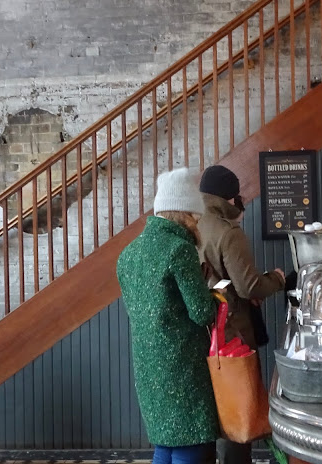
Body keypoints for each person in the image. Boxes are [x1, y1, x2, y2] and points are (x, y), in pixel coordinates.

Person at [116, 168, 220, 464]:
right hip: (183, 367)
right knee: (191, 444)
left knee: (165, 443)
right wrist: (210, 290)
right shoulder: (179, 250)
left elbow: (151, 308)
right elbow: (202, 313)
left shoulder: (128, 254)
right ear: (185, 214)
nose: (197, 223)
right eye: (196, 217)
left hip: (148, 367)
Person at [197, 165, 285, 464]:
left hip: (204, 330)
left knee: (214, 407)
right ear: (229, 197)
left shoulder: (195, 225)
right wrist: (277, 279)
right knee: (236, 410)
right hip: (232, 331)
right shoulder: (228, 232)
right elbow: (249, 287)